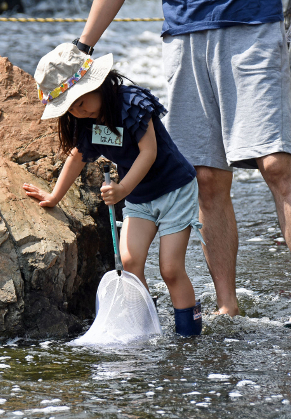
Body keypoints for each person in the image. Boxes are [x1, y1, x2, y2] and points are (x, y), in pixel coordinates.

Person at [72, 0, 291, 327]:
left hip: (252, 22)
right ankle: (227, 305)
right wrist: (83, 47)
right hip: (184, 32)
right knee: (206, 177)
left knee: (276, 163)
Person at [23, 43, 204, 337]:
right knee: (130, 264)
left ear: (99, 83)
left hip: (174, 190)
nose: (78, 111)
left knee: (170, 269)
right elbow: (78, 157)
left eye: (81, 101)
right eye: (70, 107)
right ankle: (149, 328)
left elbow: (149, 153)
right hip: (139, 198)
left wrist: (121, 190)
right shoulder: (87, 122)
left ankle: (188, 336)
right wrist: (55, 196)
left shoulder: (131, 104)